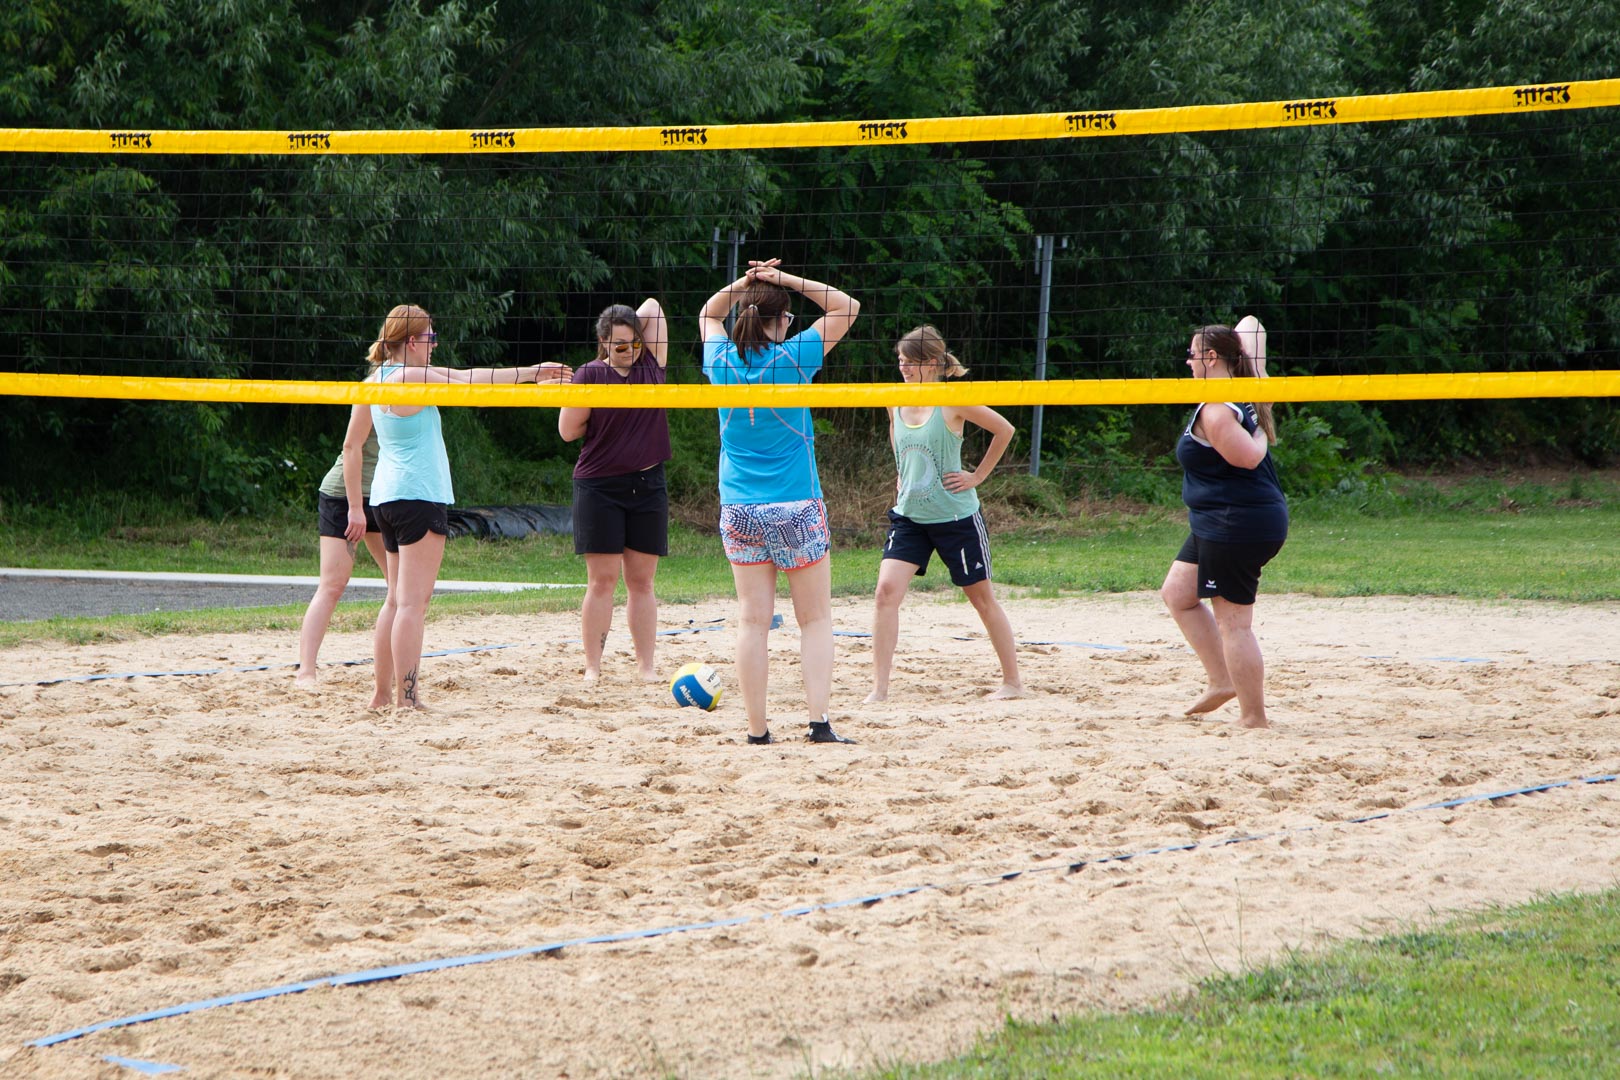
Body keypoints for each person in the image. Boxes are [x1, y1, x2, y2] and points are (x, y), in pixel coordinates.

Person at [342, 303, 571, 710]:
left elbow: (351, 444)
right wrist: (532, 372)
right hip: (417, 495)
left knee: (395, 600)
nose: (435, 345)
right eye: (430, 337)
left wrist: (356, 506)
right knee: (411, 604)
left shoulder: (374, 380)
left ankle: (382, 695)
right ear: (411, 342)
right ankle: (407, 700)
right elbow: (469, 378)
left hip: (386, 498)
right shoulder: (411, 375)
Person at [699, 259, 859, 745]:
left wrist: (745, 283)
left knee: (752, 620)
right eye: (787, 315)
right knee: (815, 620)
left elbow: (708, 314)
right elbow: (846, 307)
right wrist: (783, 280)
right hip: (795, 504)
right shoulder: (792, 358)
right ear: (782, 319)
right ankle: (819, 724)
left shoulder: (721, 361)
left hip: (740, 509)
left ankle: (757, 732)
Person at [864, 326, 1022, 703]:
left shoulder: (952, 400)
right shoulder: (894, 399)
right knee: (885, 593)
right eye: (900, 361)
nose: (903, 368)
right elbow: (895, 433)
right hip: (910, 518)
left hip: (955, 519)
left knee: (982, 599)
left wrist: (977, 476)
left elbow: (1004, 430)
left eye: (911, 362)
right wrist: (902, 471)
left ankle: (1013, 683)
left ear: (933, 363)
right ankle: (879, 689)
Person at [1159, 316, 1286, 728]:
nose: (1187, 361)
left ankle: (1253, 717)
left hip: (1235, 523)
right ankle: (1222, 680)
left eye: (1193, 354)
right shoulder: (1246, 387)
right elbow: (1251, 324)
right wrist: (1250, 368)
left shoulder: (1218, 411)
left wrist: (1262, 432)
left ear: (1212, 357)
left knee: (1234, 624)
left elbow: (1248, 458)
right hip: (1219, 519)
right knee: (1178, 592)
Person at [558, 299, 670, 682]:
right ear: (604, 342)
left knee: (642, 582)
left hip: (648, 484)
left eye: (635, 342)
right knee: (602, 581)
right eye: (620, 345)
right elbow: (568, 431)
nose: (630, 351)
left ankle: (646, 667)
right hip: (600, 486)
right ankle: (593, 667)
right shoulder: (590, 374)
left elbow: (653, 307)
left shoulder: (651, 365)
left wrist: (626, 323)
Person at [293, 427, 384, 687]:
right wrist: (355, 508)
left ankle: (391, 671)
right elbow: (350, 446)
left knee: (402, 590)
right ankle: (306, 672)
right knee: (332, 585)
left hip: (384, 494)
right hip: (345, 496)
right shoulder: (369, 400)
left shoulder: (417, 400)